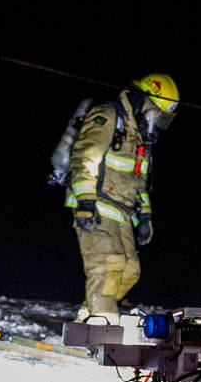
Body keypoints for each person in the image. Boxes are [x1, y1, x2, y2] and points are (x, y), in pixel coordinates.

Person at [66, 73, 178, 324]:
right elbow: (84, 157)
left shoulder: (140, 137)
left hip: (123, 213)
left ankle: (86, 317)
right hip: (96, 204)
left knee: (129, 271)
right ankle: (101, 328)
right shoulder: (107, 116)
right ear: (144, 102)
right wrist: (85, 202)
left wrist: (146, 216)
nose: (157, 120)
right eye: (156, 113)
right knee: (105, 269)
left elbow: (140, 181)